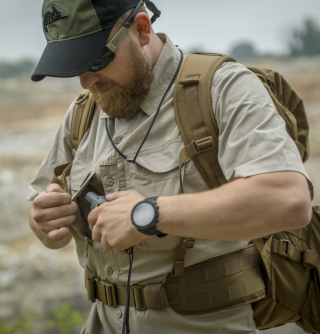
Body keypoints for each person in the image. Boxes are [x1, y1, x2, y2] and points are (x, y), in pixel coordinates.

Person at [27, 0, 313, 333]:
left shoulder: (223, 88)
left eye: (97, 60)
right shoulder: (85, 110)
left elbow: (288, 200)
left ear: (142, 30)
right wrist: (45, 223)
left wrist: (148, 214)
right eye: (74, 66)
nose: (87, 81)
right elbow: (41, 213)